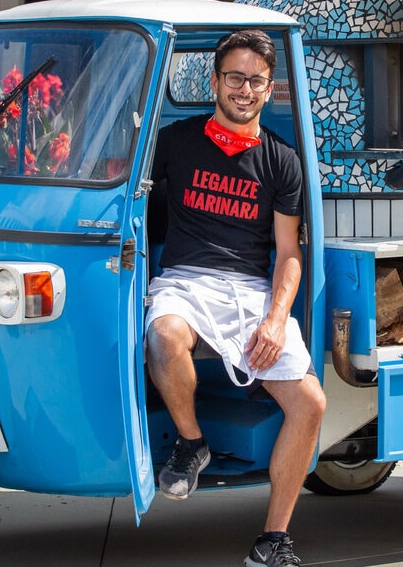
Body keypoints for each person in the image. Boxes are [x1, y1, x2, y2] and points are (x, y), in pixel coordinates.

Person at [145, 29, 326, 567]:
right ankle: (192, 442)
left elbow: (290, 251)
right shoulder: (175, 144)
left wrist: (276, 319)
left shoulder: (282, 160)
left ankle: (273, 541)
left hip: (250, 292)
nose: (244, 89)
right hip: (184, 279)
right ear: (215, 81)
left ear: (270, 89)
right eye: (234, 77)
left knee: (311, 402)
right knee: (163, 337)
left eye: (256, 80)